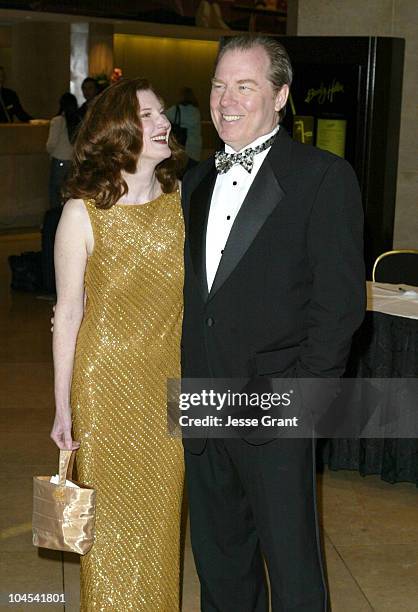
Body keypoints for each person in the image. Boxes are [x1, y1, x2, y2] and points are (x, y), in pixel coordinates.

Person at [181, 35, 365, 611]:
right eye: (218, 85)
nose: (226, 100)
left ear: (281, 96)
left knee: (293, 571)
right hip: (203, 402)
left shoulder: (321, 177)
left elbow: (339, 309)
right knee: (220, 564)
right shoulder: (196, 183)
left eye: (245, 86)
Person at [50, 77, 185, 611]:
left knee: (161, 516)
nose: (164, 123)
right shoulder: (82, 214)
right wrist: (62, 405)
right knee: (107, 528)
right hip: (104, 387)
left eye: (161, 114)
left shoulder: (182, 205)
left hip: (169, 386)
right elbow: (68, 314)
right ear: (118, 131)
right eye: (148, 115)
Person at [46, 92, 79, 208]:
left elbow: (51, 143)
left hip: (59, 159)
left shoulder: (58, 121)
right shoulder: (78, 121)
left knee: (55, 191)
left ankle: (55, 219)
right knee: (69, 192)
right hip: (73, 161)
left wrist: (49, 152)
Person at [166, 87, 202, 169]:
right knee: (192, 173)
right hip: (195, 147)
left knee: (180, 173)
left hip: (181, 147)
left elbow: (163, 117)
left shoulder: (176, 110)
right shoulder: (196, 111)